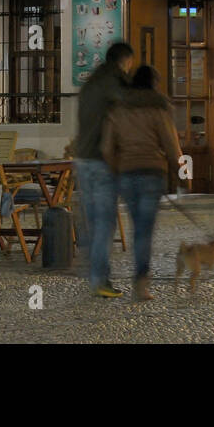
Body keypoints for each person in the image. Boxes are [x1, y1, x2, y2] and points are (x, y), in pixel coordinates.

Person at [101, 65, 183, 301]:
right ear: (153, 84)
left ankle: (136, 280)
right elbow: (171, 145)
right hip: (151, 173)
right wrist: (179, 172)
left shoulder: (117, 109)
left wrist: (117, 169)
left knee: (136, 227)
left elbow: (106, 148)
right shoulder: (158, 108)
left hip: (126, 174)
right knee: (143, 232)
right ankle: (140, 284)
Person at [75, 41, 135, 298]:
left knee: (92, 222)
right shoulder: (115, 84)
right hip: (101, 161)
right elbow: (128, 114)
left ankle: (94, 274)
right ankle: (100, 280)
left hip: (82, 160)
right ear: (125, 61)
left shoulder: (90, 83)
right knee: (104, 223)